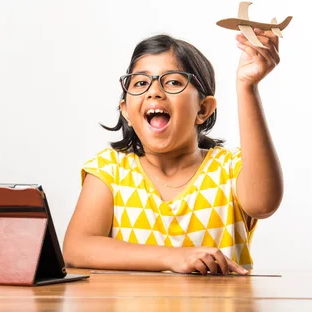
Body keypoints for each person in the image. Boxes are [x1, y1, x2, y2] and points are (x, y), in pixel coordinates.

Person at [63, 29, 284, 275]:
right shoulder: (110, 170)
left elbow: (264, 204)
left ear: (203, 109)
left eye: (173, 82)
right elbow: (76, 249)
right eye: (140, 83)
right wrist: (173, 257)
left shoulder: (230, 169)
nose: (154, 91)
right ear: (125, 110)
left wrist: (247, 86)